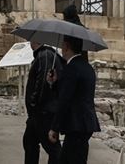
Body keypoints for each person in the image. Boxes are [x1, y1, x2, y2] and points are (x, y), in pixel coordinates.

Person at [48, 36, 98, 164]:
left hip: (76, 124)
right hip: (87, 123)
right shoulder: (87, 67)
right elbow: (77, 92)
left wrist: (55, 127)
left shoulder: (71, 69)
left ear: (66, 46)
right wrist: (56, 82)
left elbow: (64, 100)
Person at [23, 41, 65, 164]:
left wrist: (34, 105)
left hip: (42, 112)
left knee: (53, 149)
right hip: (38, 113)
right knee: (29, 142)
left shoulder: (45, 55)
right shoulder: (42, 55)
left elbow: (42, 85)